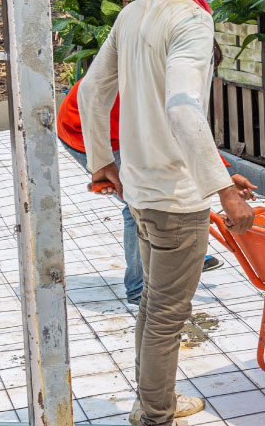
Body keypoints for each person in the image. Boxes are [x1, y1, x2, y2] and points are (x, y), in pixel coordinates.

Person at [79, 0, 257, 426]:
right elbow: (183, 106)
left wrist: (101, 161)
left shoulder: (136, 12)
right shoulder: (191, 20)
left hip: (139, 187)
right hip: (176, 199)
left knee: (153, 308)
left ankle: (149, 403)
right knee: (165, 316)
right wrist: (223, 189)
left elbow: (90, 90)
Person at [57, 77, 223, 310]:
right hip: (86, 131)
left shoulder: (164, 71)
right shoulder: (152, 79)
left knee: (165, 188)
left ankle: (182, 254)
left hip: (119, 128)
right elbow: (176, 132)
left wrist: (219, 170)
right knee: (139, 204)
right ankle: (139, 288)